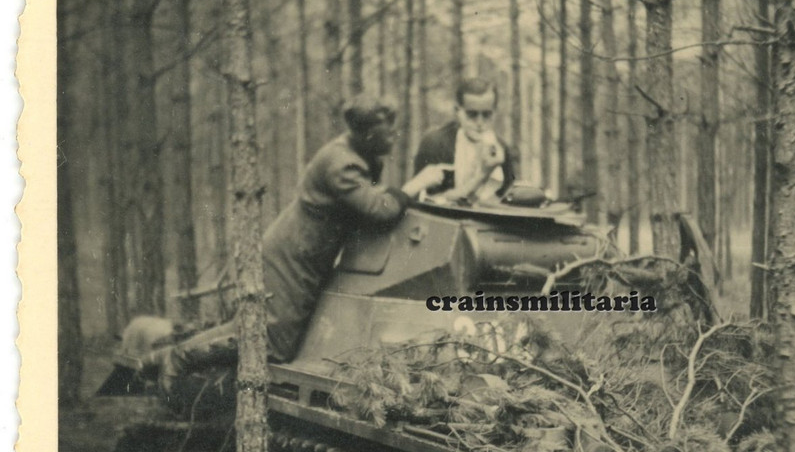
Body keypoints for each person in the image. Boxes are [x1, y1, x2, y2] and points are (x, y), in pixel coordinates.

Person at [149, 95, 447, 388]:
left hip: (306, 256)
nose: (395, 136)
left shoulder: (359, 156)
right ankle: (179, 358)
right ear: (368, 133)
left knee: (263, 333)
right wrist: (416, 184)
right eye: (389, 130)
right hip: (290, 258)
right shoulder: (340, 163)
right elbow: (379, 210)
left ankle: (163, 356)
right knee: (270, 345)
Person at [413, 78, 518, 203]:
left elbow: (506, 196)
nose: (480, 123)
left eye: (487, 114)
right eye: (472, 114)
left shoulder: (501, 148)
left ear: (495, 112)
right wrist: (482, 175)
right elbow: (425, 200)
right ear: (458, 111)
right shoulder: (435, 143)